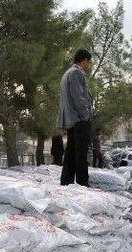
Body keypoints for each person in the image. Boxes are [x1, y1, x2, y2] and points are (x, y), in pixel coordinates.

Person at [57, 49, 93, 186]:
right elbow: (79, 97)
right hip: (79, 119)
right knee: (81, 153)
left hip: (71, 120)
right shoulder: (76, 73)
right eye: (88, 63)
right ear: (84, 61)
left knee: (71, 152)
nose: (88, 66)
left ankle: (66, 182)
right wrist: (86, 115)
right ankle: (83, 183)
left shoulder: (67, 73)